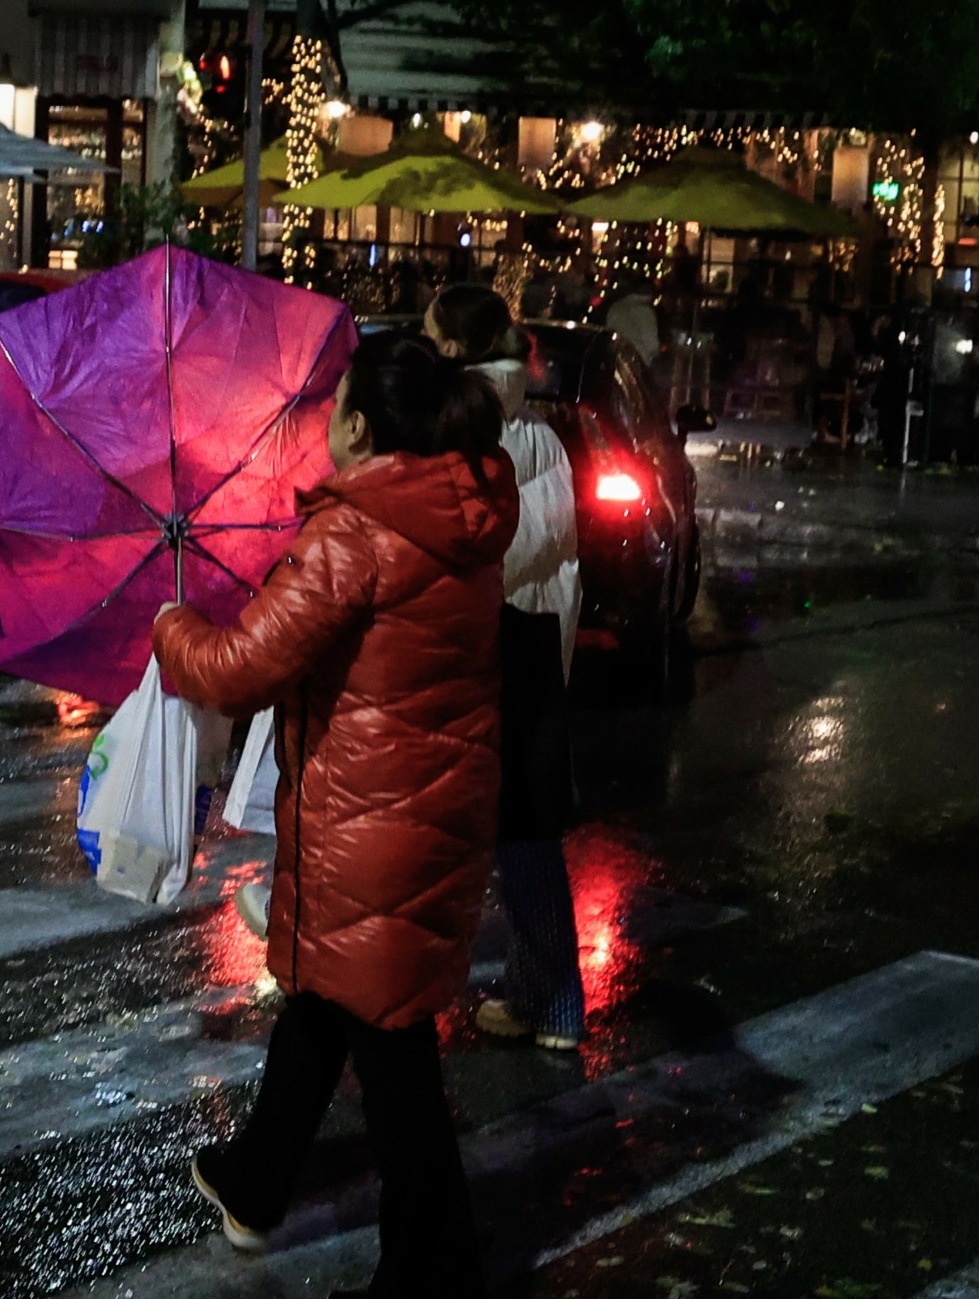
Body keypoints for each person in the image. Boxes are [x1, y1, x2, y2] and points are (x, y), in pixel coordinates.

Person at [155, 331, 518, 1299]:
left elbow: (238, 670)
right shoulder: (456, 511)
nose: (325, 419)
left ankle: (435, 1272)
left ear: (360, 427)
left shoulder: (357, 532)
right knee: (324, 1001)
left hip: (370, 825)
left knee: (391, 1055)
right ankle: (255, 1180)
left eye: (336, 401)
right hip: (426, 811)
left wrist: (171, 628)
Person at [426, 285, 587, 1052]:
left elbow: (490, 551)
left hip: (500, 645)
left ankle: (543, 996)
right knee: (523, 828)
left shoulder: (473, 431)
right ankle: (545, 997)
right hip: (535, 645)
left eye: (431, 336)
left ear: (457, 350)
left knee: (490, 825)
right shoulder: (537, 433)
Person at [605, 278, 663, 366]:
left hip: (614, 361)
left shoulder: (615, 307)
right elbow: (651, 344)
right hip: (636, 364)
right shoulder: (645, 311)